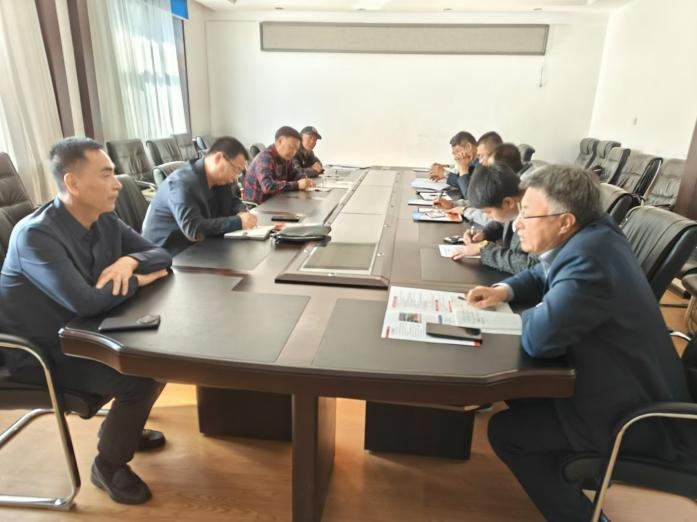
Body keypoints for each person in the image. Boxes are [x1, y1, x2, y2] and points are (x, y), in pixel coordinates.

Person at [466, 165, 696, 522]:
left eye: (528, 214)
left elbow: (540, 340)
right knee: (523, 396)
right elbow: (542, 272)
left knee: (508, 432)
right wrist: (504, 291)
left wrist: (532, 312)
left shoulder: (589, 260)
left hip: (635, 417)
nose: (519, 223)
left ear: (564, 222)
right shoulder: (594, 234)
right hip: (628, 383)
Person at [0, 137, 173, 504]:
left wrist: (130, 261)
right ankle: (108, 465)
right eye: (106, 174)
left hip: (85, 334)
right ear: (73, 182)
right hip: (40, 353)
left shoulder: (103, 219)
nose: (117, 183)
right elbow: (87, 301)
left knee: (161, 353)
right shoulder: (36, 235)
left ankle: (121, 430)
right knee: (141, 376)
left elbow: (160, 254)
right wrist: (139, 280)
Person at [142, 136, 257, 255]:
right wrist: (238, 222)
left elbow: (232, 201)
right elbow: (193, 229)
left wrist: (242, 212)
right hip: (167, 254)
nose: (235, 178)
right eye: (236, 170)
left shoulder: (220, 180)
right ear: (218, 158)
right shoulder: (182, 183)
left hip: (199, 247)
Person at [451, 163, 537, 274]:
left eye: (488, 212)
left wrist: (484, 249)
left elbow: (532, 267)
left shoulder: (538, 216)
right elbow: (504, 223)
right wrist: (485, 234)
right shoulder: (517, 201)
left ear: (508, 202)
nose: (487, 217)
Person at [243, 126, 315, 204]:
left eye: (296, 150)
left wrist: (305, 179)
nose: (294, 152)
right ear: (280, 141)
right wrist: (297, 185)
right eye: (291, 147)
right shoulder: (265, 158)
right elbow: (268, 187)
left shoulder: (286, 157)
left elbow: (294, 174)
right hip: (261, 206)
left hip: (277, 201)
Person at [429, 131, 477, 200]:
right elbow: (462, 180)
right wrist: (447, 168)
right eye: (454, 154)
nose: (455, 157)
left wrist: (446, 174)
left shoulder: (484, 164)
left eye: (457, 152)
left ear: (468, 146)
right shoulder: (473, 161)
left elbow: (471, 196)